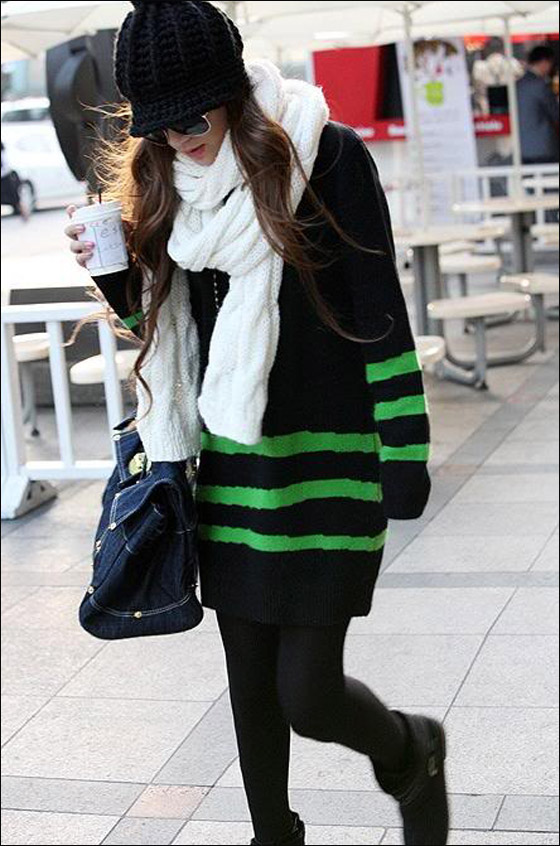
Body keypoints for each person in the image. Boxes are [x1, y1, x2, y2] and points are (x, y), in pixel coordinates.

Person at [65, 2, 448, 844]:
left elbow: (380, 310)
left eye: (193, 120)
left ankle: (411, 749)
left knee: (308, 693)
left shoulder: (325, 155)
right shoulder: (169, 183)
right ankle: (273, 834)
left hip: (330, 461)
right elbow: (160, 330)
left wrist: (404, 444)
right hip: (230, 466)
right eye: (160, 128)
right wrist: (117, 281)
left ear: (232, 94)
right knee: (250, 686)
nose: (179, 141)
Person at [517, 44, 559, 165]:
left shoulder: (518, 84)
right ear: (544, 62)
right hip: (543, 148)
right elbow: (555, 113)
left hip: (522, 148)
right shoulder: (540, 85)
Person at [1, 141, 31, 221]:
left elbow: (6, 166)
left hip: (6, 178)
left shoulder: (2, 152)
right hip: (4, 177)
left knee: (15, 198)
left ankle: (25, 215)